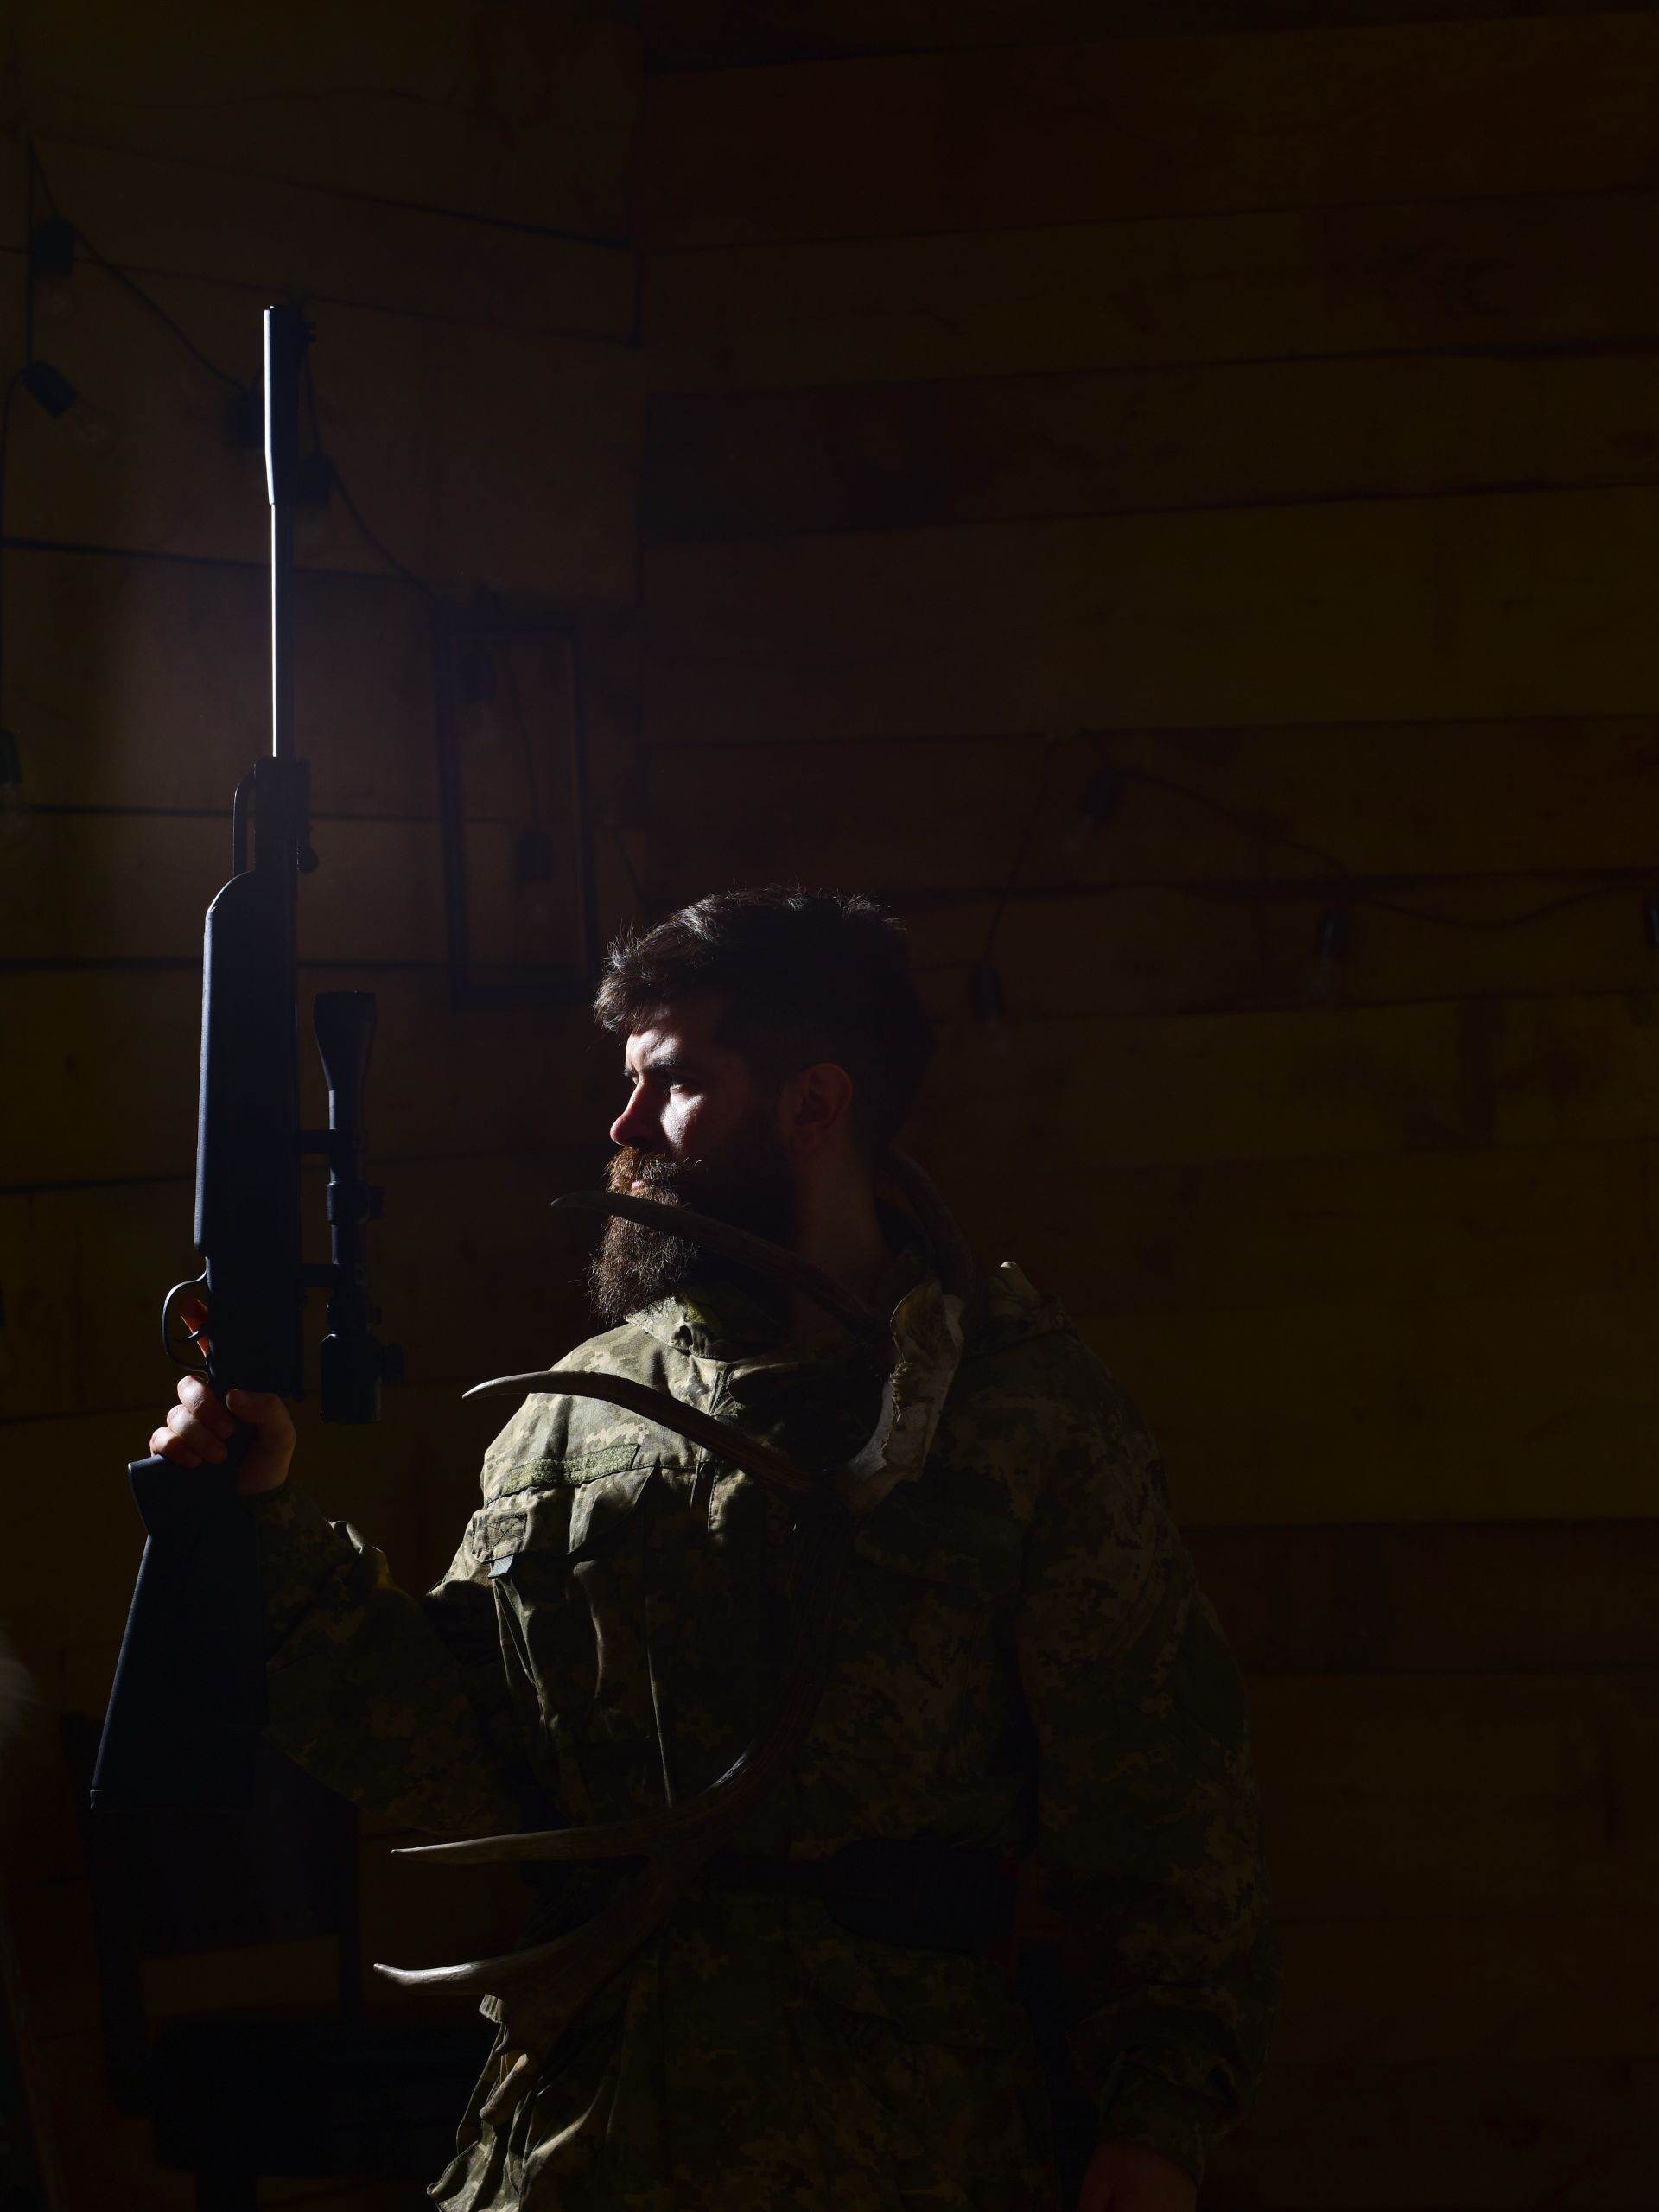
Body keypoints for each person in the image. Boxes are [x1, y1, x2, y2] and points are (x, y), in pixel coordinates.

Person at [147, 887, 1280, 2212]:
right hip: (584, 2139)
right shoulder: (570, 1414)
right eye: (625, 1086)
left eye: (672, 1083)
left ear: (813, 1107)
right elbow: (464, 1762)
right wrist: (270, 1535)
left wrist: (1152, 2135)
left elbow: (1165, 1813)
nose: (622, 1131)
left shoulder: (1021, 1418)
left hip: (897, 2141)